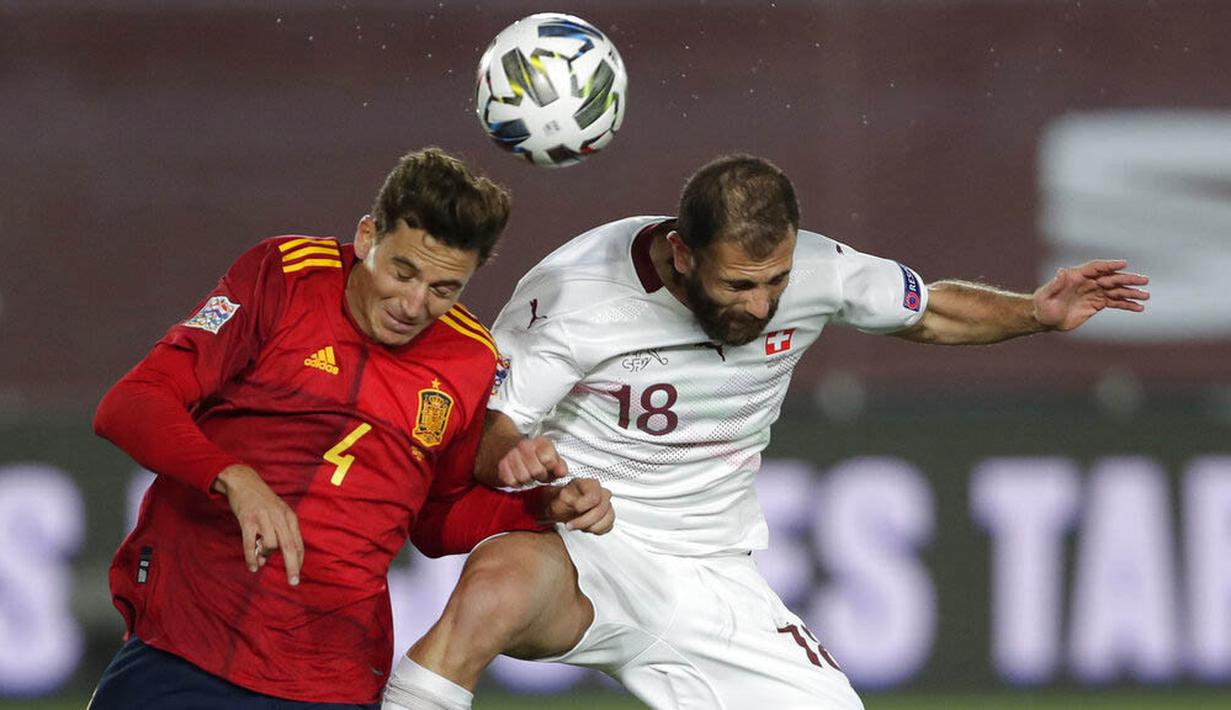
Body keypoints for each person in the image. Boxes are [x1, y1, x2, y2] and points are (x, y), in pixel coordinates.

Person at [380, 154, 1150, 710]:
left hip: (713, 574)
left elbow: (931, 310)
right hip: (582, 546)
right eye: (737, 285)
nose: (759, 306)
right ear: (681, 251)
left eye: (774, 281)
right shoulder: (578, 293)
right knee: (490, 595)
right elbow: (489, 425)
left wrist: (1036, 313)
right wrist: (518, 463)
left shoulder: (817, 271)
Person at [87, 147, 614, 710]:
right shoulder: (283, 277)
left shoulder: (469, 360)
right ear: (367, 238)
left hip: (330, 674)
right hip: (188, 641)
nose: (414, 304)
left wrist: (540, 506)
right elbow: (131, 404)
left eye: (444, 289)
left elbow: (437, 521)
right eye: (403, 271)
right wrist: (234, 479)